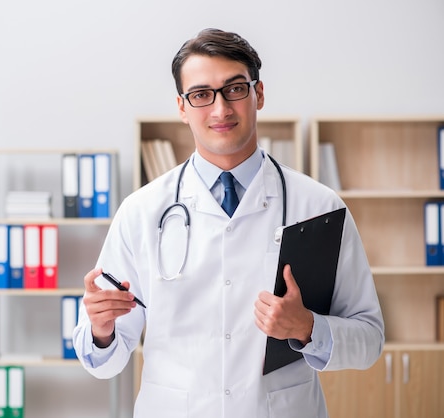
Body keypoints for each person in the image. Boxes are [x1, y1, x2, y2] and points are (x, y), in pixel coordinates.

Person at [73, 28, 384, 418]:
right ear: (182, 107)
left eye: (235, 89)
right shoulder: (142, 212)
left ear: (259, 94)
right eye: (201, 95)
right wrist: (101, 330)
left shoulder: (318, 206)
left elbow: (370, 338)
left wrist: (307, 328)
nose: (220, 110)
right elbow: (105, 362)